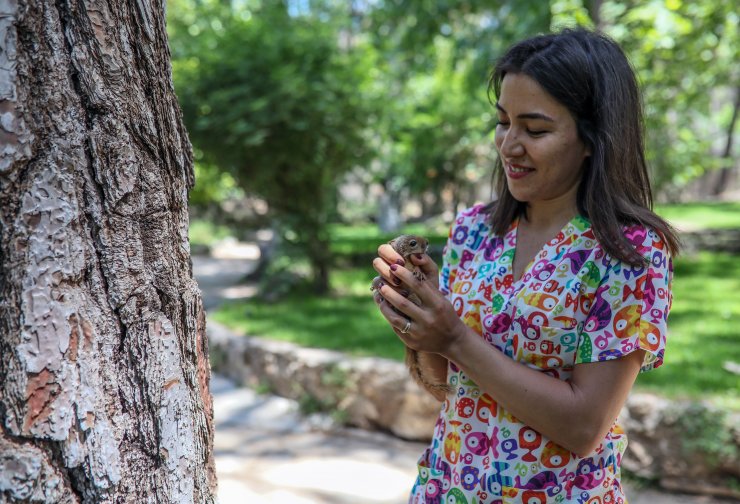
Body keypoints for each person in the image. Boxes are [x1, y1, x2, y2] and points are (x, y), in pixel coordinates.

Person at [372, 28, 680, 504]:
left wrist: (454, 335)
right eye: (503, 122)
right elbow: (451, 391)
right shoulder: (475, 230)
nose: (509, 144)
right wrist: (420, 323)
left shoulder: (628, 251)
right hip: (449, 488)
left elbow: (584, 426)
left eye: (535, 130)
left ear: (592, 138)